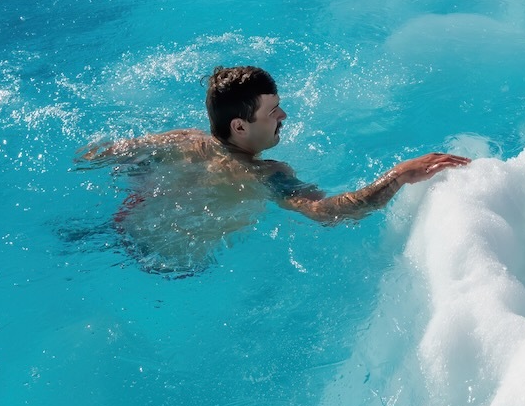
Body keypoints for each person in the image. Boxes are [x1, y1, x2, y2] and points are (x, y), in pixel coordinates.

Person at [80, 65, 470, 274]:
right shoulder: (266, 174)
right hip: (170, 267)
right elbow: (327, 213)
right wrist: (397, 176)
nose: (283, 116)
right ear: (239, 126)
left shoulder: (182, 140)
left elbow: (99, 155)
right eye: (273, 110)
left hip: (120, 231)